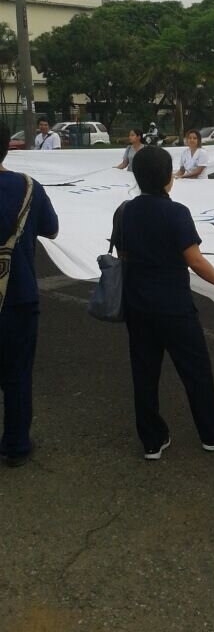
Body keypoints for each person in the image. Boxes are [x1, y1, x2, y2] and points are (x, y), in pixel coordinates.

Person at [112, 146, 214, 459]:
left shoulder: (125, 210)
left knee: (144, 374)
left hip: (137, 306)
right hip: (174, 308)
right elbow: (195, 261)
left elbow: (123, 255)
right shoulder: (176, 212)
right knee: (196, 371)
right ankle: (213, 433)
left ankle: (152, 440)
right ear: (167, 178)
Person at [0, 123, 59, 467]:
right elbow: (51, 228)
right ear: (8, 146)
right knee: (17, 374)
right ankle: (16, 444)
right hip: (18, 295)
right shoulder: (27, 187)